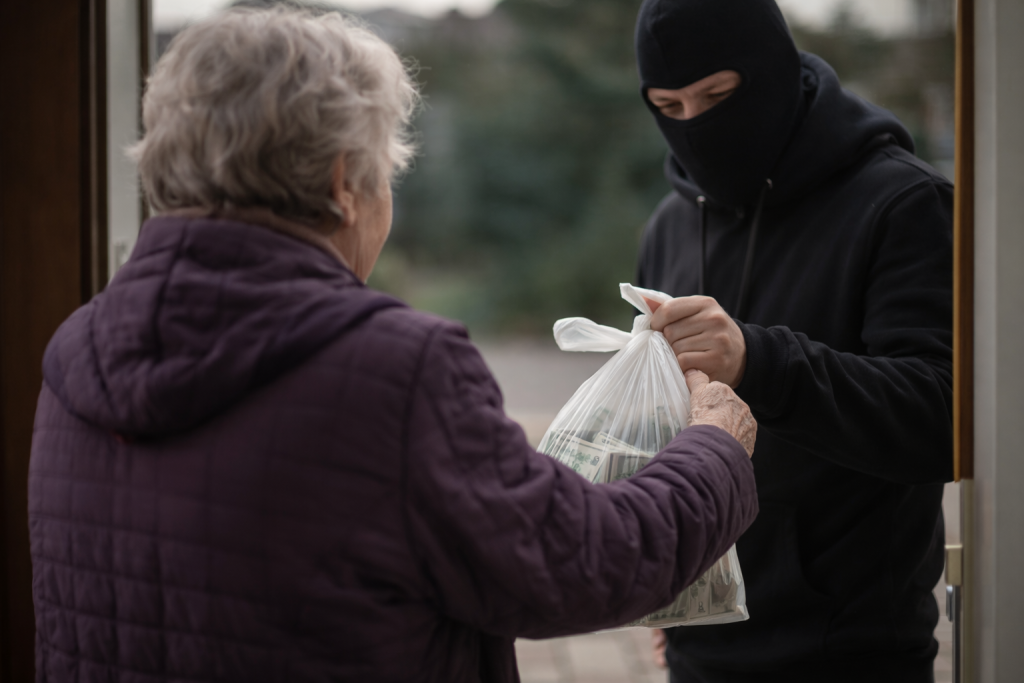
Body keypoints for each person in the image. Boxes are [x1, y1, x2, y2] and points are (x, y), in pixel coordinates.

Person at [28, 8, 759, 683]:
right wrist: (714, 449)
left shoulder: (76, 353)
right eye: (385, 172)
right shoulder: (393, 370)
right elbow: (580, 565)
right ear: (346, 182)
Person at [632, 1, 953, 681]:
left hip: (851, 650)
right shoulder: (668, 222)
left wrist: (758, 359)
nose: (695, 126)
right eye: (670, 106)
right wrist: (660, 581)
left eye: (717, 95)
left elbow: (943, 417)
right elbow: (660, 424)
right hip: (699, 642)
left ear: (774, 71)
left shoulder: (901, 203)